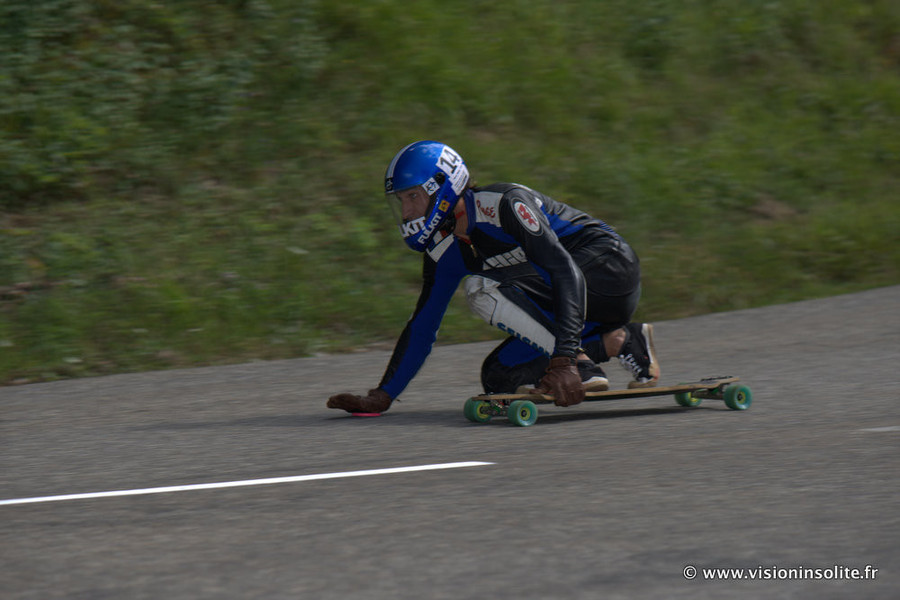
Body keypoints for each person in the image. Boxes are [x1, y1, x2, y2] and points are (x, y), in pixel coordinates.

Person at [327, 140, 659, 414]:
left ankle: (581, 366)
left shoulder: (503, 205)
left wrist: (565, 360)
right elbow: (423, 327)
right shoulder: (443, 250)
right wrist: (383, 395)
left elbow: (564, 271)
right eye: (400, 201)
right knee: (499, 378)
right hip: (578, 307)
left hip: (611, 269)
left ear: (442, 186)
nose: (406, 212)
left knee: (482, 288)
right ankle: (620, 340)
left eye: (413, 196)